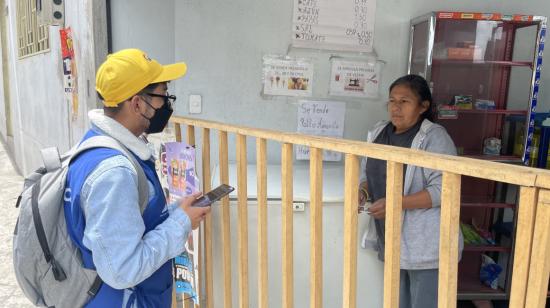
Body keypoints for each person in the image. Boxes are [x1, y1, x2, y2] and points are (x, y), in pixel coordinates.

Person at [64, 48, 210, 307]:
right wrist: (180, 224)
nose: (166, 105)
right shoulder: (114, 173)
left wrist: (180, 212)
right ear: (137, 103)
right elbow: (122, 269)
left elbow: (130, 220)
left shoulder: (98, 146)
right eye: (162, 96)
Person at [359, 74, 463, 308]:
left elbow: (443, 190)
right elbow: (367, 173)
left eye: (404, 101)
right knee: (399, 303)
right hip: (392, 238)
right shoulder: (378, 133)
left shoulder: (435, 138)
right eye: (392, 101)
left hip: (427, 244)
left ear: (423, 106)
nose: (396, 108)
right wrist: (363, 193)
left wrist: (396, 203)